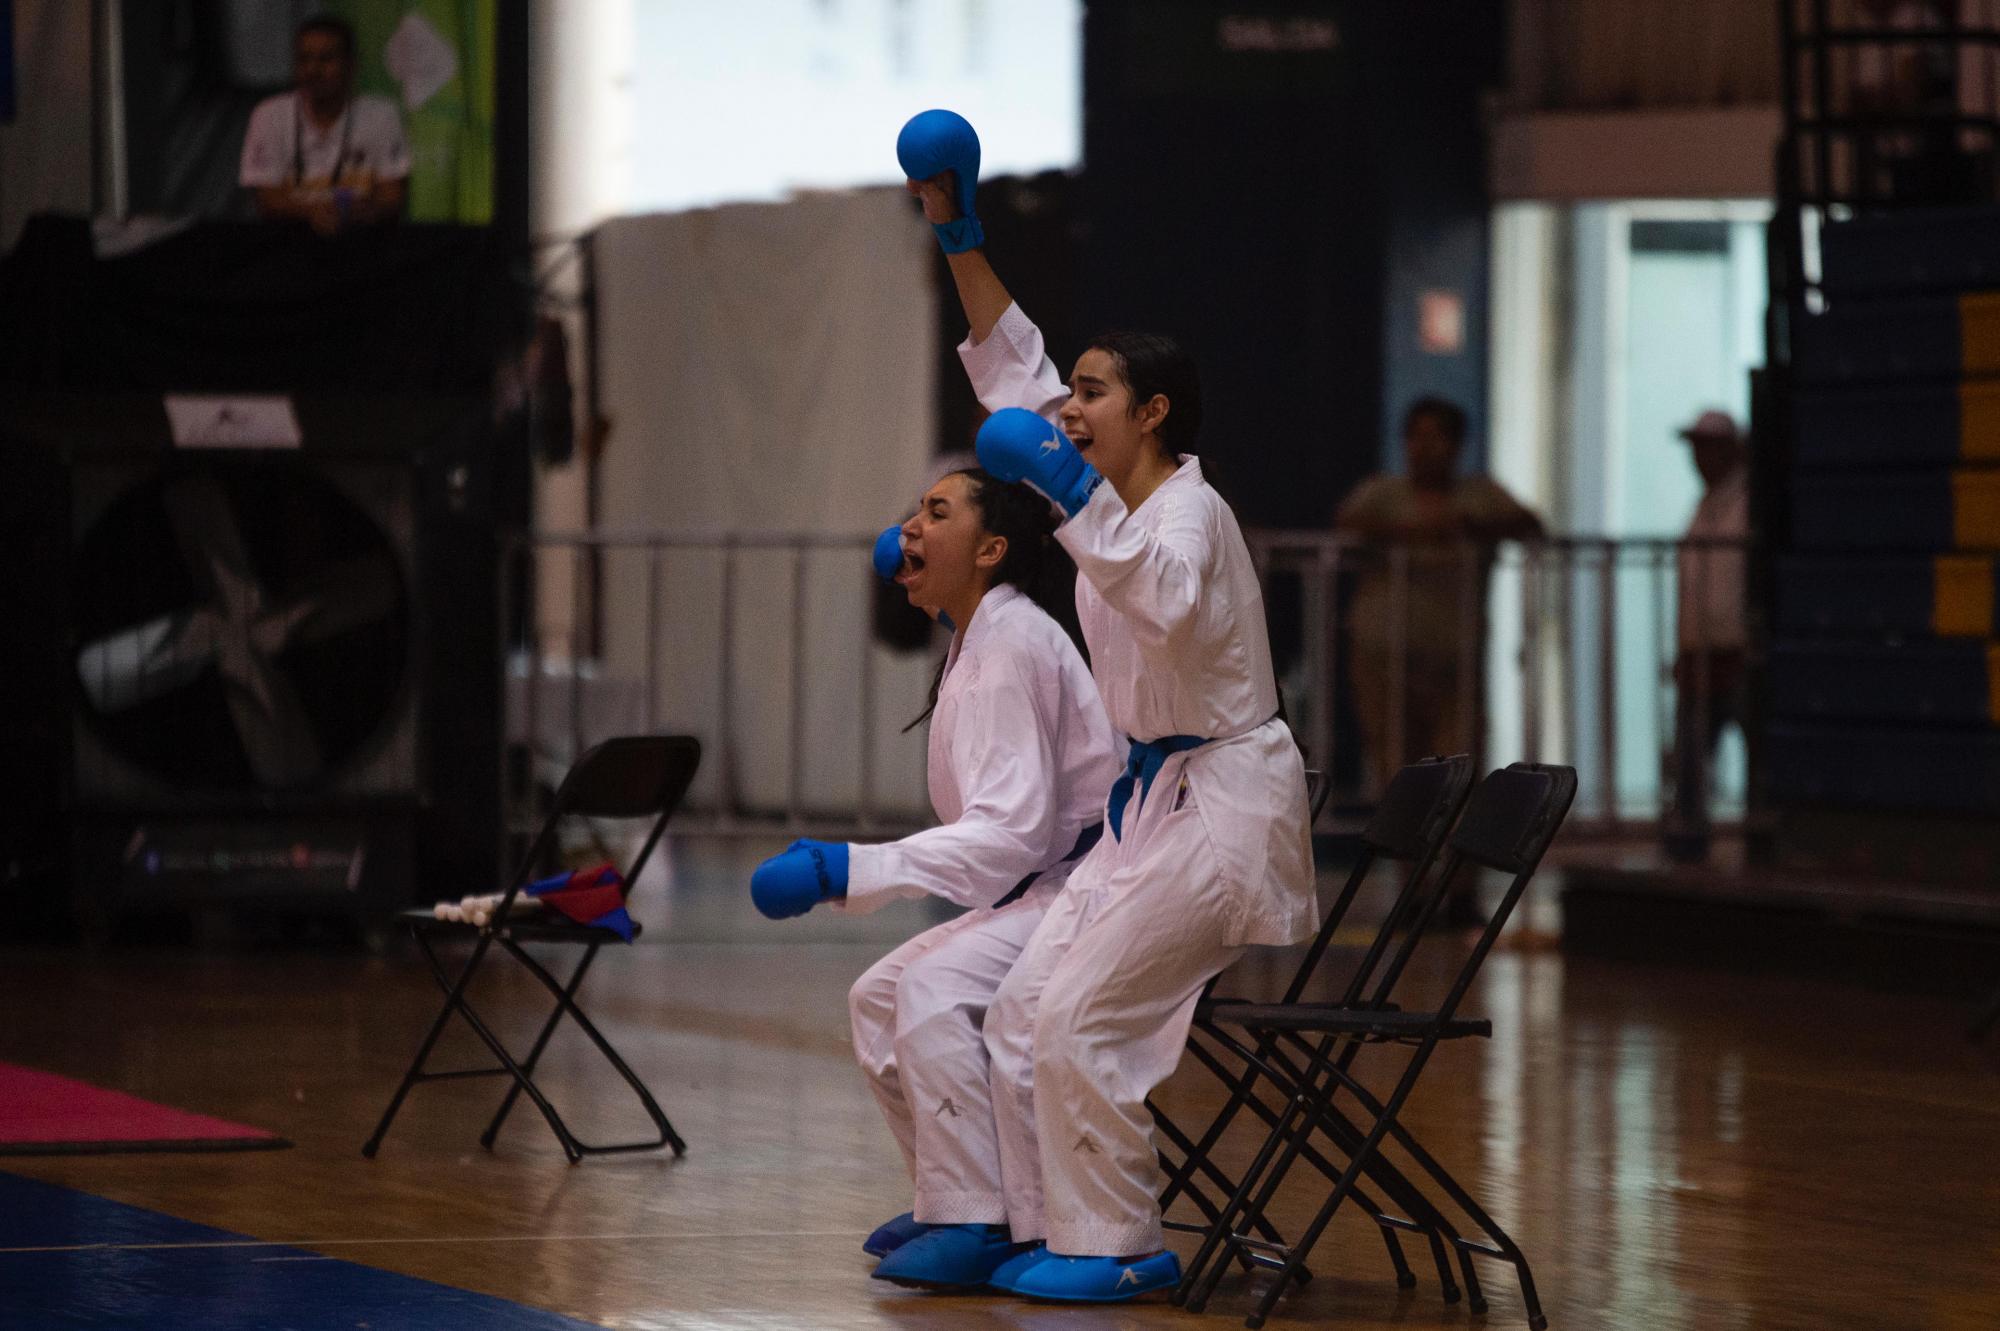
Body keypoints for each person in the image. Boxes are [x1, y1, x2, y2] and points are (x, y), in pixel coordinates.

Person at [897, 109, 1317, 1302]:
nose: (1066, 407)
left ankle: (1119, 1239)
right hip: (1156, 805)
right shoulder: (1109, 493)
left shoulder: (1184, 511)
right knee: (1024, 1001)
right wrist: (957, 231)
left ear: (1152, 414)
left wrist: (1069, 482)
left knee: (1074, 1007)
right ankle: (1039, 1224)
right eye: (1070, 393)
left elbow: (1172, 606)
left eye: (1092, 393)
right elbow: (1009, 362)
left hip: (1225, 808)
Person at [748, 469, 1121, 1290]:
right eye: (915, 511)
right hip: (1049, 885)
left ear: (991, 550)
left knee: (930, 987)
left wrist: (853, 867)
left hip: (1096, 890)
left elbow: (1011, 834)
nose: (907, 528)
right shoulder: (981, 635)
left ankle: (981, 1222)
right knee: (878, 996)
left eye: (935, 512)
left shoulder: (1013, 640)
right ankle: (955, 1190)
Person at [1665, 409, 1748, 864]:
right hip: (1700, 653)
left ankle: (1758, 841)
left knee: (1750, 756)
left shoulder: (1745, 503)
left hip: (1736, 651)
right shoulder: (1704, 506)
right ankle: (1689, 845)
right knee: (1691, 759)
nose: (1700, 457)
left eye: (1710, 446)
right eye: (1696, 447)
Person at [239, 15, 410, 235]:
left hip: (362, 242)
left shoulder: (381, 115)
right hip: (287, 244)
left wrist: (363, 211)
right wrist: (313, 212)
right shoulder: (269, 114)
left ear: (351, 65)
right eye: (304, 59)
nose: (313, 70)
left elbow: (392, 197)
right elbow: (267, 199)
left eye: (326, 58)